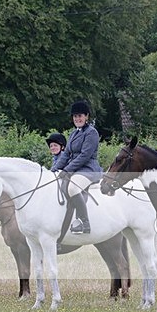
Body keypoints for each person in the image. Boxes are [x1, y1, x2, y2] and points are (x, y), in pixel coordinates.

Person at [52, 100, 103, 235]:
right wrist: (54, 170)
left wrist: (67, 170)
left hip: (88, 169)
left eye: (80, 116)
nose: (77, 119)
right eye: (75, 116)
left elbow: (84, 156)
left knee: (73, 188)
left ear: (86, 116)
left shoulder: (92, 133)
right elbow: (66, 154)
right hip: (75, 169)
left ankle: (84, 222)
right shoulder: (74, 134)